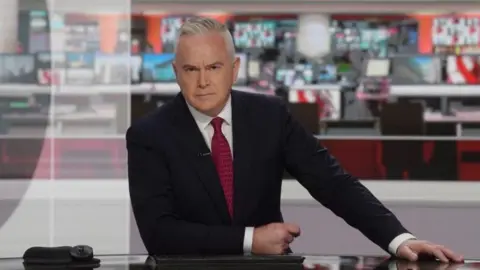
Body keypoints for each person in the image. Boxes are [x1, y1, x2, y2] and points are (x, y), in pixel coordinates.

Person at [126, 17, 463, 262]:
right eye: (191, 69)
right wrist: (250, 239)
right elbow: (158, 232)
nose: (203, 81)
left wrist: (399, 239)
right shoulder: (148, 136)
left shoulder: (269, 116)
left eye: (213, 67)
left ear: (234, 68)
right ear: (175, 71)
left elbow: (334, 183)